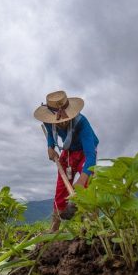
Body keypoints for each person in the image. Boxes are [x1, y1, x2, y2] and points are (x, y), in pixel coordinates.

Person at [34, 90, 99, 231]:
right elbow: (51, 133)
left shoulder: (82, 123)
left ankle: (92, 227)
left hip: (85, 152)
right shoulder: (48, 121)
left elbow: (91, 156)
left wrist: (82, 180)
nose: (61, 124)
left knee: (87, 185)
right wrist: (50, 146)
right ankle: (54, 228)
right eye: (58, 121)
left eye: (65, 121)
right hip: (68, 152)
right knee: (61, 188)